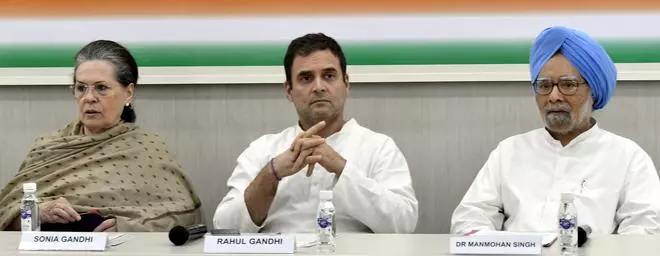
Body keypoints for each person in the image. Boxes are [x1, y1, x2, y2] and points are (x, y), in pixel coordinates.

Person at [451, 26, 660, 235]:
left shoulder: (628, 157)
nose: (553, 96)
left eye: (568, 85)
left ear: (593, 92)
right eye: (544, 85)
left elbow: (645, 231)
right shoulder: (509, 151)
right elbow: (470, 217)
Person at [213, 33, 418, 233]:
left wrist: (341, 167)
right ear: (289, 91)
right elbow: (224, 227)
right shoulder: (263, 149)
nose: (318, 87)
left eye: (329, 76)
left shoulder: (379, 147)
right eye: (306, 78)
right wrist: (271, 174)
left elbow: (404, 223)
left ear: (346, 84)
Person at [0, 40, 201, 232]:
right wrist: (36, 213)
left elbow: (184, 217)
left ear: (128, 93)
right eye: (81, 88)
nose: (89, 98)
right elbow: (5, 214)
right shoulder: (48, 146)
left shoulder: (148, 148)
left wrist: (128, 228)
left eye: (101, 88)